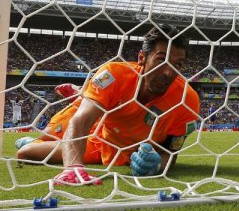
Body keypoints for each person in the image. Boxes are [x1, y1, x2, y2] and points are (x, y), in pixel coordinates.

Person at [16, 24, 200, 184]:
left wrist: (157, 164)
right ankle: (83, 95)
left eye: (178, 64)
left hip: (124, 151)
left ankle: (86, 93)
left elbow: (171, 153)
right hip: (101, 135)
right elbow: (81, 121)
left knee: (29, 152)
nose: (169, 72)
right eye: (161, 60)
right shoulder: (113, 74)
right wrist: (73, 168)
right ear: (142, 57)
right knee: (28, 151)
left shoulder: (188, 100)